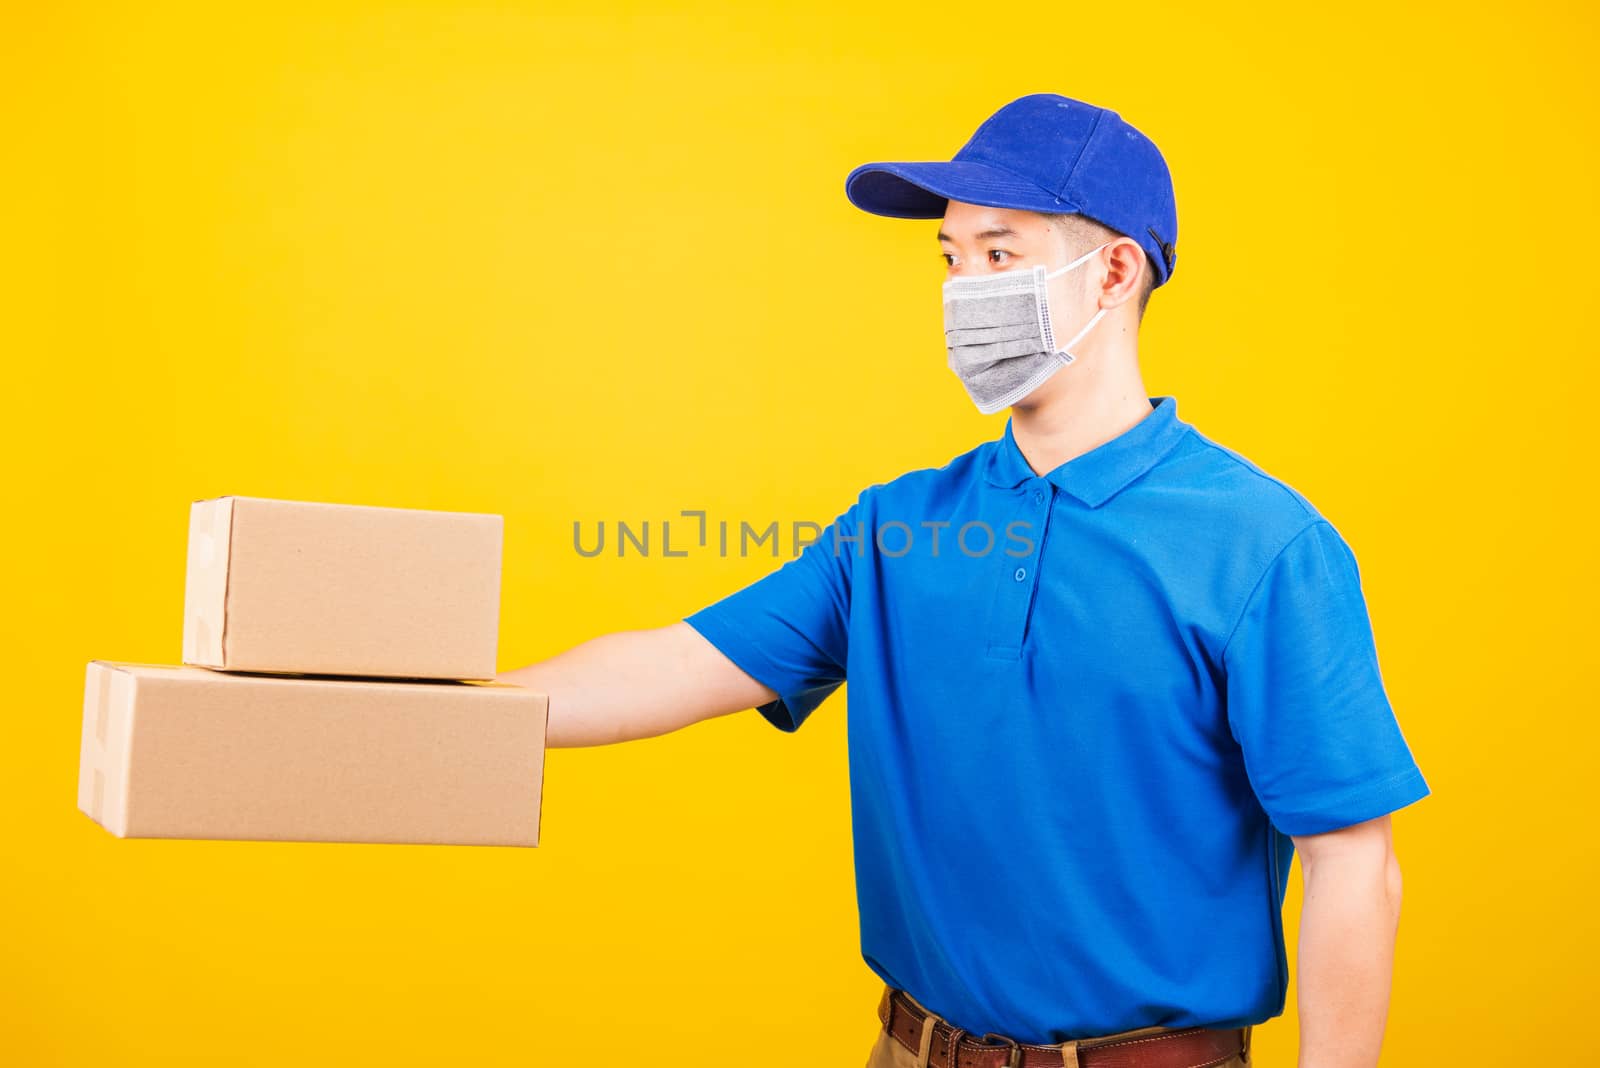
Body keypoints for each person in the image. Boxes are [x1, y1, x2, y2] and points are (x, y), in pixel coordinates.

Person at [499, 92, 1431, 1068]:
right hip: (910, 1051)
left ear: (1113, 270)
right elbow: (668, 665)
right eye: (949, 258)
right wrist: (443, 709)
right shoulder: (896, 527)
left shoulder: (1261, 543)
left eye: (999, 254)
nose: (962, 288)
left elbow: (1351, 860)